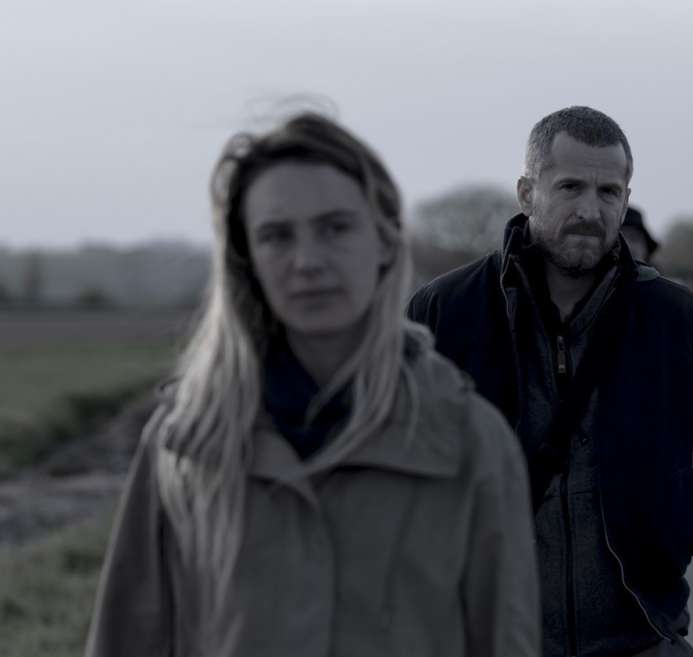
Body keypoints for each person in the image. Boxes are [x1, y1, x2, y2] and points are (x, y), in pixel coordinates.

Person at [87, 112, 539, 657]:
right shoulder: (187, 441)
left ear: (384, 242)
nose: (307, 262)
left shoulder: (469, 442)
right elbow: (127, 638)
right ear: (247, 261)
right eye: (276, 236)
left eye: (335, 228)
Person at [407, 106, 693, 657]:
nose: (590, 210)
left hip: (641, 641)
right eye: (570, 187)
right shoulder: (446, 312)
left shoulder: (674, 319)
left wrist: (692, 518)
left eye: (609, 192)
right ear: (527, 192)